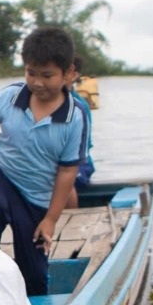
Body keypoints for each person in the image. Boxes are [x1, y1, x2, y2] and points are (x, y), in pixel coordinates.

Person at [0, 27, 89, 296]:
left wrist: (51, 219)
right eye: (31, 73)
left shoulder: (76, 116)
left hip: (37, 196)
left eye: (47, 75)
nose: (37, 82)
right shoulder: (12, 96)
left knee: (35, 276)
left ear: (67, 73)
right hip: (0, 173)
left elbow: (68, 170)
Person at [65, 56, 95, 209]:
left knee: (63, 178)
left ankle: (71, 220)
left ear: (73, 75)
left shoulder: (80, 106)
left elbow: (82, 148)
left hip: (79, 163)